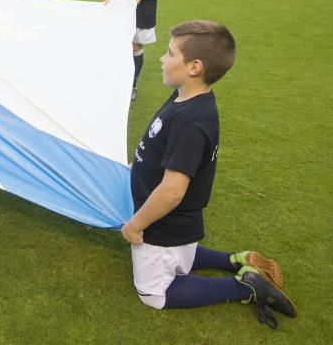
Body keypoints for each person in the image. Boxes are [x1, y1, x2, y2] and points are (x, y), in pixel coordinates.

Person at [119, 20, 296, 328]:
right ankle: (235, 260)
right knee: (181, 258)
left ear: (194, 67)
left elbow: (173, 191)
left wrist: (136, 225)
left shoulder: (192, 121)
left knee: (153, 293)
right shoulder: (184, 96)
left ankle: (248, 287)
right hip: (177, 225)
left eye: (170, 53)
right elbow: (157, 143)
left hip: (163, 223)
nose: (162, 58)